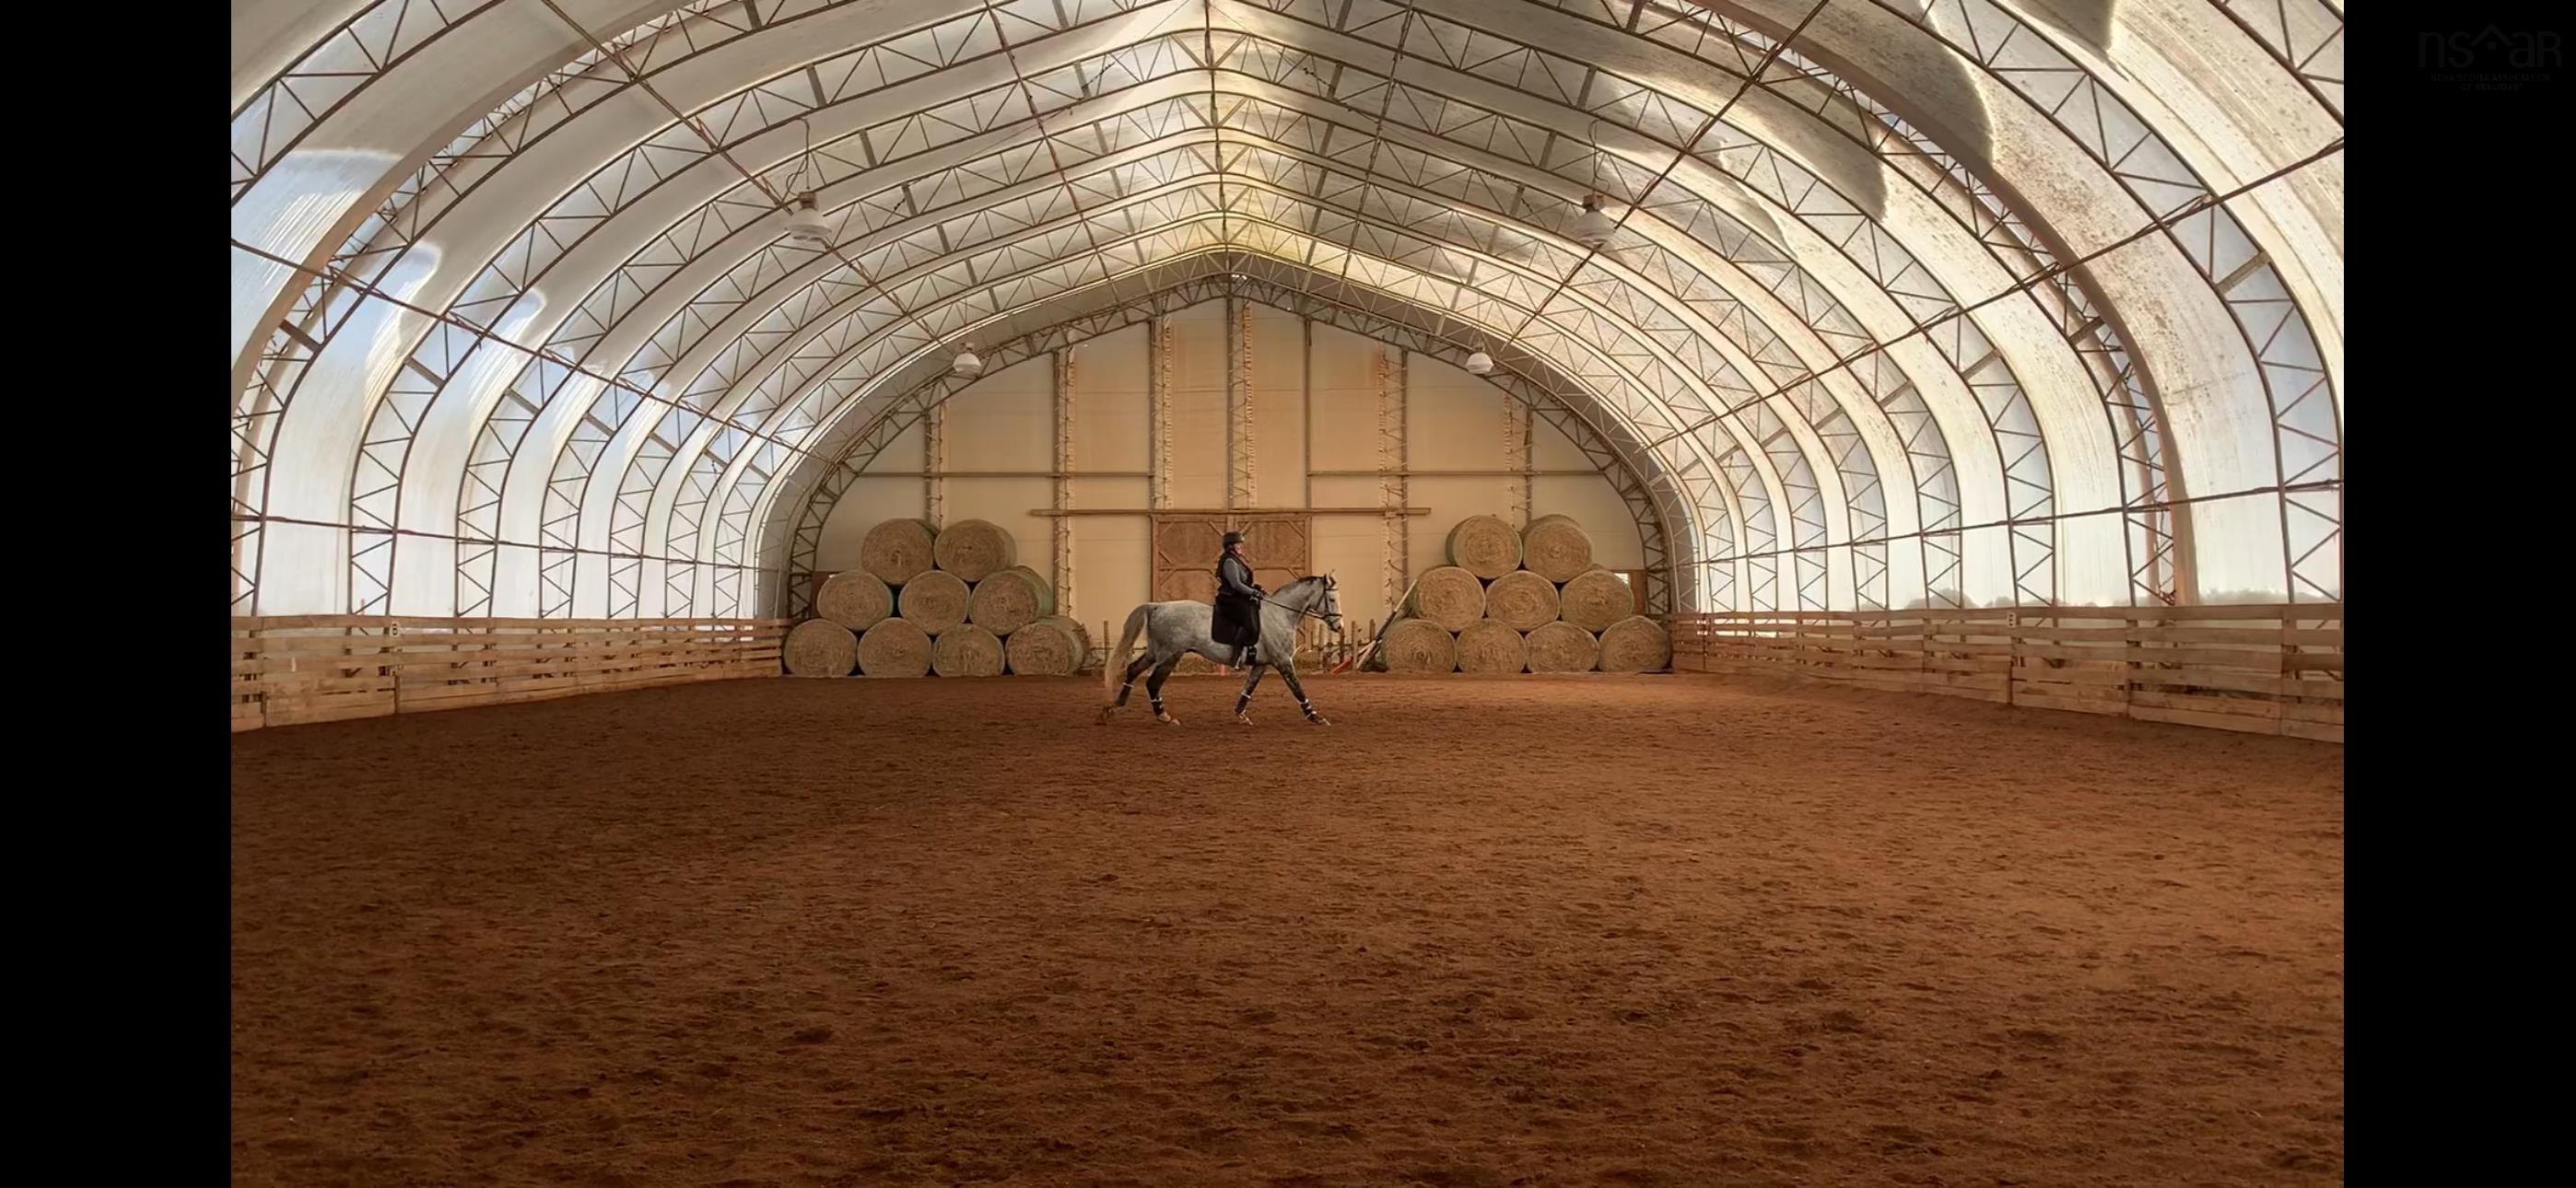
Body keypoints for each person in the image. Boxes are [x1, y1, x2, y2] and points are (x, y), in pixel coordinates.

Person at [1212, 530, 1266, 668]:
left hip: (1239, 597)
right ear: (1230, 546)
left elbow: (1244, 582)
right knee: (1248, 621)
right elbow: (1236, 584)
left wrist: (1255, 588)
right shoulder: (1229, 561)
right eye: (1238, 544)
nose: (1241, 546)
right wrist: (1253, 592)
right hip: (1230, 599)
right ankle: (1236, 656)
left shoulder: (1237, 560)